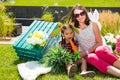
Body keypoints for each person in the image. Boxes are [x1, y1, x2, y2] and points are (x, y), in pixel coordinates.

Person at [68, 4, 120, 78]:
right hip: (88, 54)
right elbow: (66, 35)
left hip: (99, 49)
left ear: (85, 13)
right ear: (74, 17)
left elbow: (100, 43)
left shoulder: (93, 25)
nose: (80, 16)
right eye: (77, 15)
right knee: (91, 57)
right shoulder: (72, 26)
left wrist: (86, 52)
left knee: (99, 50)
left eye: (82, 13)